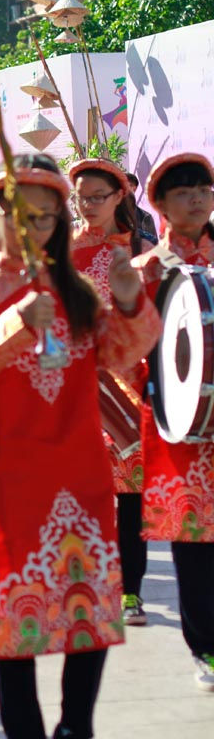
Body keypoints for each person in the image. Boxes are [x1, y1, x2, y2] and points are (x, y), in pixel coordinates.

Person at [0, 154, 159, 738]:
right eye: (19, 217)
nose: (33, 229)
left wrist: (133, 302)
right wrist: (14, 326)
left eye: (45, 218)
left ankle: (76, 725)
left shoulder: (76, 288)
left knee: (89, 607)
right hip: (8, 472)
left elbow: (120, 354)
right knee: (14, 618)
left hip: (79, 470)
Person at [132, 152, 214, 691]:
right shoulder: (145, 272)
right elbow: (121, 349)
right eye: (183, 191)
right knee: (195, 541)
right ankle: (206, 647)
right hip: (181, 425)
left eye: (204, 188)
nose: (197, 198)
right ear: (159, 205)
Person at [68, 158, 154, 626]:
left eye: (97, 196)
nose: (87, 206)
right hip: (76, 386)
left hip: (128, 385)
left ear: (119, 196)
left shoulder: (141, 248)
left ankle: (131, 591)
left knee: (131, 495)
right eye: (80, 197)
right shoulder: (60, 249)